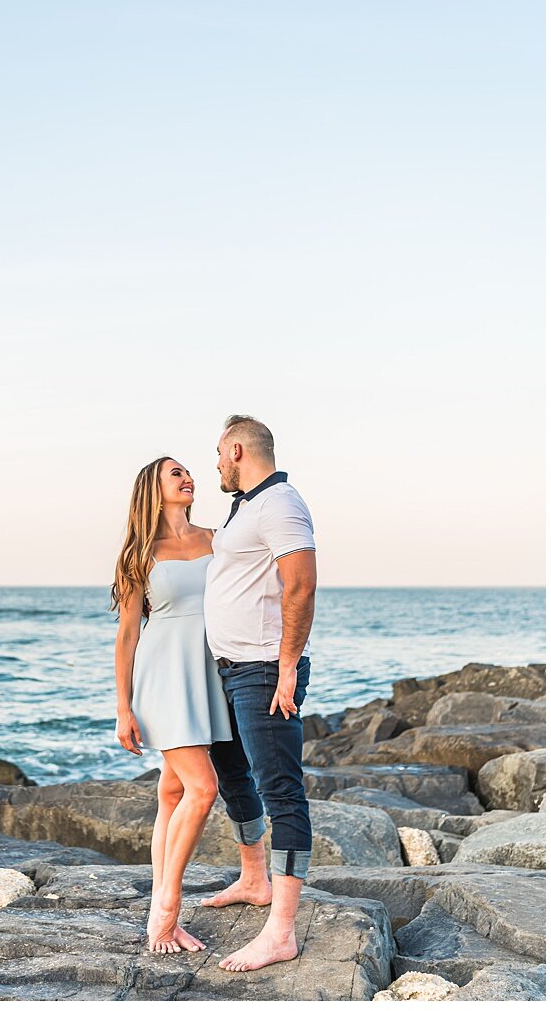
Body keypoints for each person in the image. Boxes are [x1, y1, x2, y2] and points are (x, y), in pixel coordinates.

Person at [194, 415, 319, 973]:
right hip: (228, 670)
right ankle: (253, 878)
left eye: (219, 453)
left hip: (264, 671)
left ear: (238, 449)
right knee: (232, 775)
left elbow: (302, 583)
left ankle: (282, 932)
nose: (215, 463)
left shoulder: (280, 503)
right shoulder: (246, 505)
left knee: (282, 793)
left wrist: (288, 664)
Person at [112, 456, 233, 955]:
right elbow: (125, 637)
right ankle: (165, 914)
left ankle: (157, 903)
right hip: (162, 676)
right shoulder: (140, 554)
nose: (188, 478)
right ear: (153, 489)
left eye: (188, 471)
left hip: (210, 674)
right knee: (203, 789)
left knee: (172, 792)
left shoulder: (216, 537)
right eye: (174, 473)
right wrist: (123, 708)